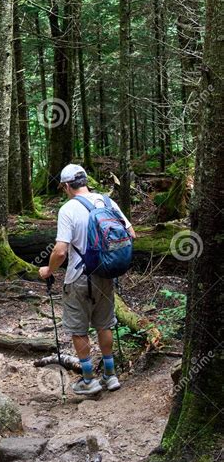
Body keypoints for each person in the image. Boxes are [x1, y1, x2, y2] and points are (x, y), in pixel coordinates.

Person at [39, 164, 136, 396]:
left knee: (78, 329)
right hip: (105, 274)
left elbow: (60, 251)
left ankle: (89, 379)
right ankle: (111, 376)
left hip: (78, 277)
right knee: (105, 323)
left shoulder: (68, 209)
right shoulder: (107, 202)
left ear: (66, 186)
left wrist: (48, 271)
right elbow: (131, 234)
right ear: (85, 181)